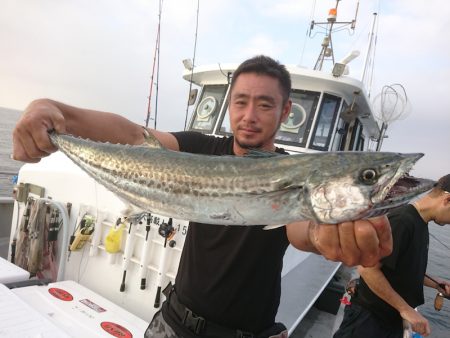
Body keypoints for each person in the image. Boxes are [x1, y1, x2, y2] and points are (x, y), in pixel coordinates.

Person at [13, 55, 392, 337]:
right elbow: (133, 137)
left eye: (265, 104)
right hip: (175, 320)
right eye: (241, 101)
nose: (250, 115)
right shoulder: (203, 148)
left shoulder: (289, 174)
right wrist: (54, 110)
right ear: (230, 105)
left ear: (286, 111)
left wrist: (323, 234)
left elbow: (300, 228)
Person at [333, 174, 450, 338]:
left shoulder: (421, 224)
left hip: (390, 321)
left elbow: (402, 268)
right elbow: (368, 270)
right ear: (447, 200)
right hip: (369, 321)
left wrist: (437, 284)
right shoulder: (403, 221)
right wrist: (406, 310)